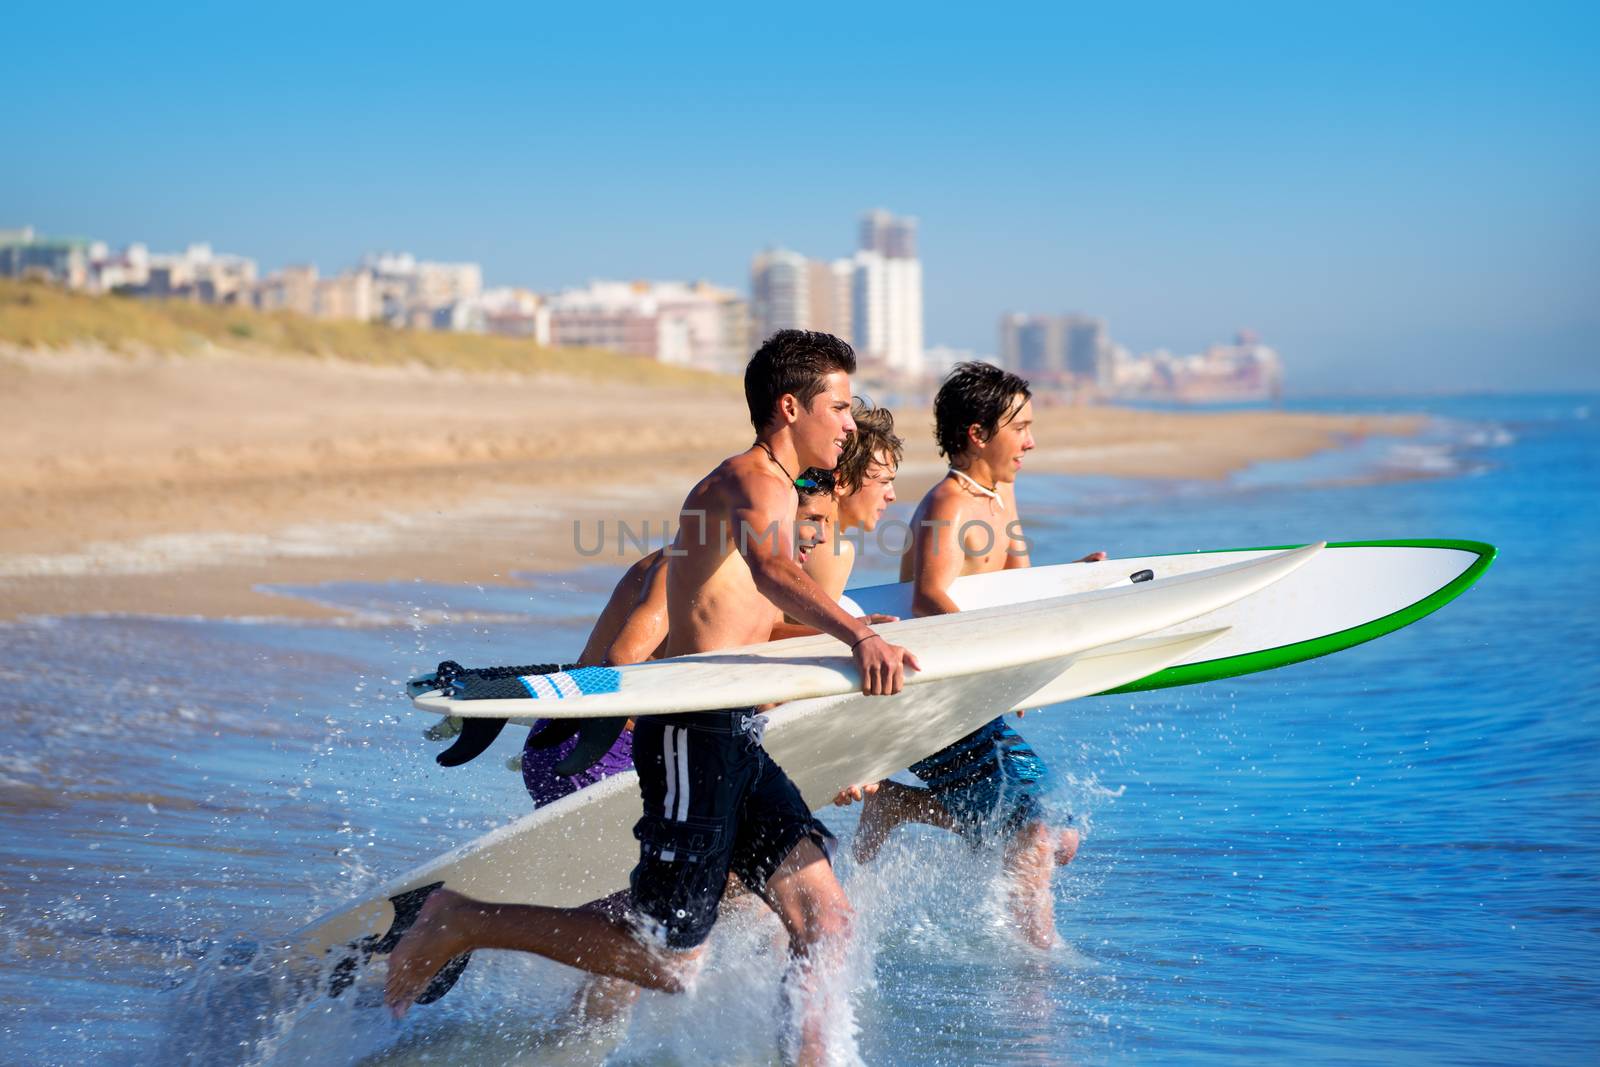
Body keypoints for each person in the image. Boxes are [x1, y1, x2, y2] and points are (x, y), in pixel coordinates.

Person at [386, 330, 919, 1064]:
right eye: (838, 406)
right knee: (671, 959)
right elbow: (766, 570)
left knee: (826, 920)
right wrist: (856, 633)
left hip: (737, 735)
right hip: (690, 734)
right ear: (789, 407)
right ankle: (460, 919)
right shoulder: (752, 479)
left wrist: (824, 633)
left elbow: (747, 613)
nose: (849, 423)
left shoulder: (775, 493)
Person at [848, 362, 1101, 950]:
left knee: (1059, 834)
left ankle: (899, 804)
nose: (1031, 442)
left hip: (973, 691)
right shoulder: (947, 504)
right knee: (1034, 834)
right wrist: (998, 671)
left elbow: (1016, 586)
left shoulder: (1001, 495)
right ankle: (1038, 961)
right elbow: (929, 596)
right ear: (977, 434)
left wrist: (1077, 584)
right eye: (1021, 428)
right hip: (933, 695)